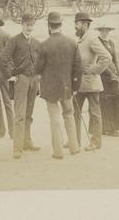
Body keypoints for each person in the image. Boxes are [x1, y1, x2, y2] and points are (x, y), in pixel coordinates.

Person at [35, 12, 82, 159]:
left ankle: (58, 152)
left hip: (50, 89)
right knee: (69, 115)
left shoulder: (43, 45)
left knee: (54, 119)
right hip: (67, 87)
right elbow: (78, 68)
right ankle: (74, 147)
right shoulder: (72, 43)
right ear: (61, 24)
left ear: (49, 26)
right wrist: (75, 87)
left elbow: (37, 69)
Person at [73, 12, 111, 152]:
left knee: (94, 113)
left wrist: (94, 69)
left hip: (91, 83)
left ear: (84, 24)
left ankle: (96, 142)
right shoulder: (81, 39)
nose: (75, 27)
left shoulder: (91, 39)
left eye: (77, 24)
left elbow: (106, 57)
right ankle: (74, 140)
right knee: (74, 112)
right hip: (80, 84)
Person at [5, 15, 42, 158]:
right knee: (20, 114)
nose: (30, 27)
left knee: (29, 114)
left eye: (32, 25)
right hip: (21, 80)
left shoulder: (37, 43)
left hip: (33, 81)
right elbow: (4, 58)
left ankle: (27, 142)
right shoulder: (14, 41)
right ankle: (17, 148)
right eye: (27, 24)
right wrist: (11, 75)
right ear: (22, 24)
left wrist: (38, 75)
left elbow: (40, 61)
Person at [94, 21, 119, 137]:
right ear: (99, 31)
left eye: (107, 30)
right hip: (103, 76)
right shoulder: (96, 42)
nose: (105, 32)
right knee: (106, 101)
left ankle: (117, 125)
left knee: (116, 99)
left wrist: (118, 74)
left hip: (113, 75)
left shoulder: (111, 42)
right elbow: (100, 61)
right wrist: (110, 74)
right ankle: (107, 128)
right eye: (103, 30)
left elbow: (115, 59)